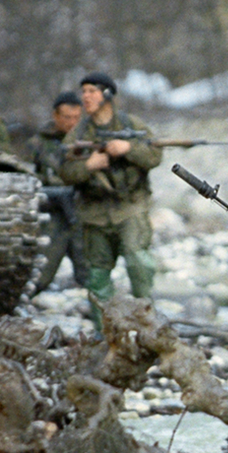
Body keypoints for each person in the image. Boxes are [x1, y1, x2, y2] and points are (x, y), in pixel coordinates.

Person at [58, 71, 161, 325]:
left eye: (91, 91)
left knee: (139, 264)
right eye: (83, 92)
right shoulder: (79, 133)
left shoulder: (131, 125)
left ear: (107, 94)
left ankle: (149, 327)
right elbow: (65, 171)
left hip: (130, 208)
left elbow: (155, 155)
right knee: (97, 277)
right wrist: (89, 165)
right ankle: (103, 335)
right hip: (94, 214)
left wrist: (128, 149)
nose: (85, 97)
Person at [29, 91, 88, 291]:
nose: (72, 123)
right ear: (55, 116)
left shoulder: (87, 141)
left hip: (81, 213)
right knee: (40, 275)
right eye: (66, 117)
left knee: (90, 274)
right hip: (52, 215)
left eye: (76, 118)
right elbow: (24, 180)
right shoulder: (38, 144)